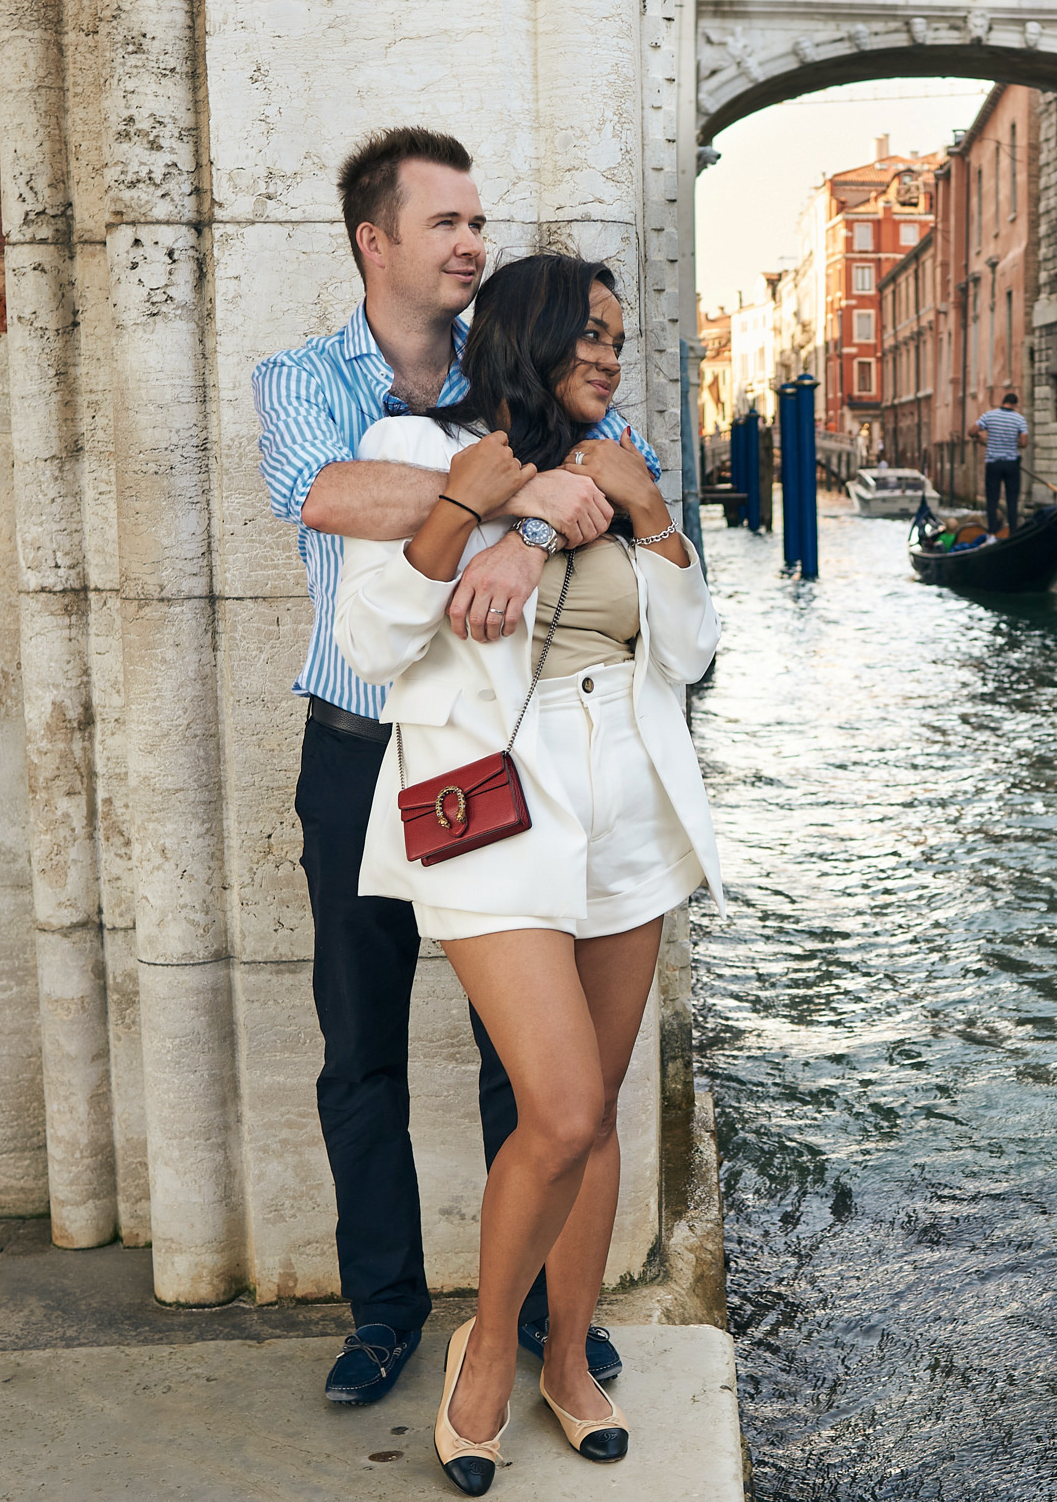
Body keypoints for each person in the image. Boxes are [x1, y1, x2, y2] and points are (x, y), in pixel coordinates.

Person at [250, 128, 654, 1409]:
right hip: (362, 746)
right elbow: (324, 494)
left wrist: (527, 498)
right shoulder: (302, 375)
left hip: (501, 763)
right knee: (358, 1041)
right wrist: (517, 492)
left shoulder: (537, 374)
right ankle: (383, 1311)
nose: (472, 243)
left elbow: (628, 493)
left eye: (479, 223)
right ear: (375, 240)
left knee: (526, 1057)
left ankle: (537, 1308)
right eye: (445, 224)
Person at [335, 254, 721, 1494]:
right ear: (532, 331)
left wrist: (647, 515)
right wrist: (474, 515)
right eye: (591, 334)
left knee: (595, 1112)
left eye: (618, 335)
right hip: (494, 811)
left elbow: (692, 652)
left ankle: (568, 1356)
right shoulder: (428, 442)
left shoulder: (622, 456)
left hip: (626, 806)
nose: (611, 354)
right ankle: (487, 1346)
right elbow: (367, 642)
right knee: (554, 1109)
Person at [971, 391, 1030, 533]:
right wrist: (1010, 443)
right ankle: (1013, 533)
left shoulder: (989, 415)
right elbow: (1023, 443)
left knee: (992, 500)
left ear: (1003, 402)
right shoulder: (1019, 419)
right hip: (1011, 464)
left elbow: (971, 431)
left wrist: (980, 438)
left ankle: (991, 534)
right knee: (1012, 501)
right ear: (1015, 404)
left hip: (993, 464)